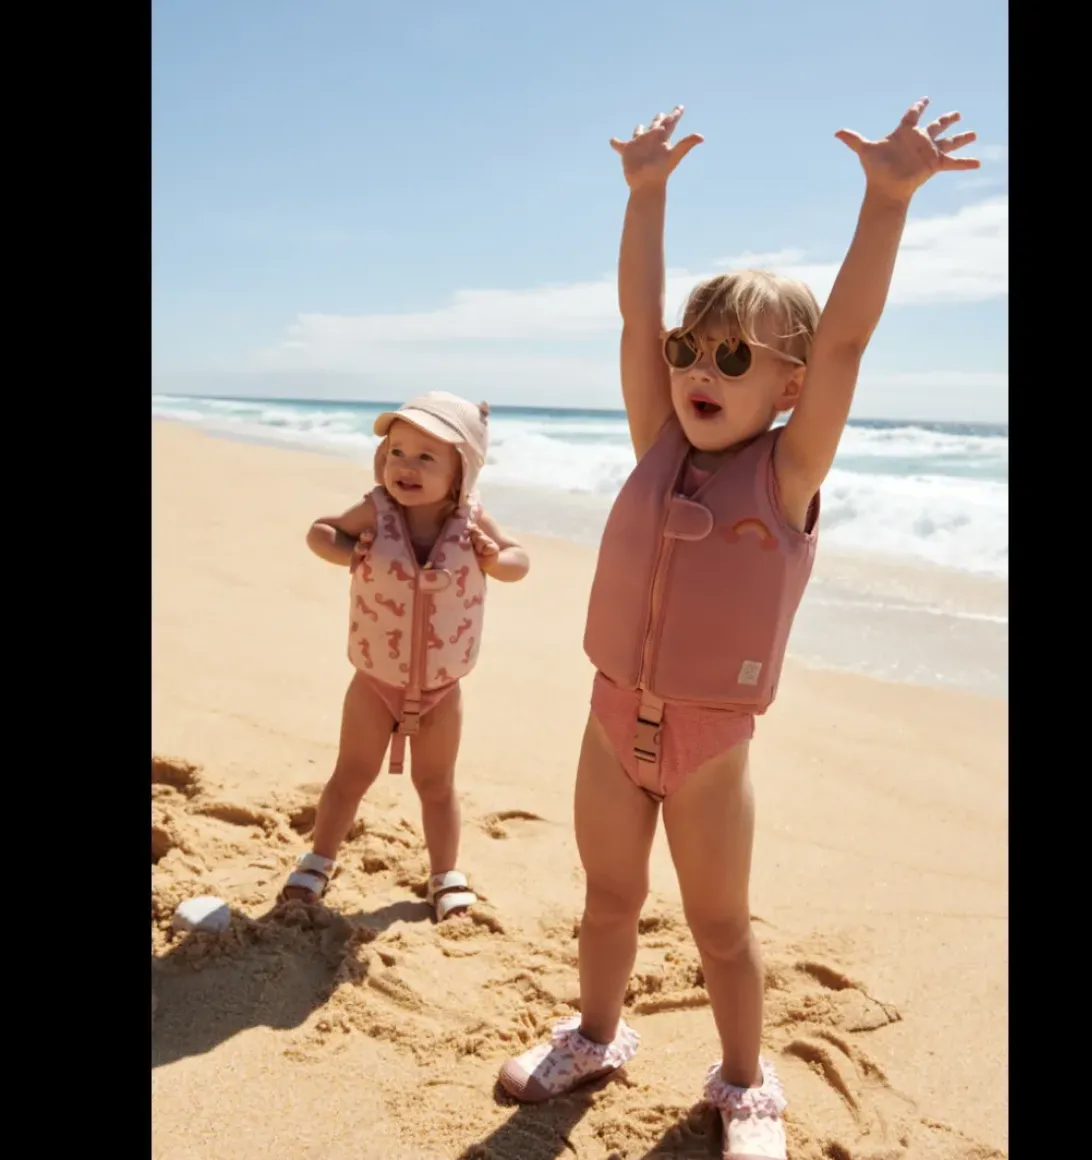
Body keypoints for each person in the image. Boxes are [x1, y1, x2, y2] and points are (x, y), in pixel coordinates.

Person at [498, 99, 980, 1159]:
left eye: (732, 357)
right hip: (611, 716)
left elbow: (845, 340)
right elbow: (635, 320)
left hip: (710, 743)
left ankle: (746, 1083)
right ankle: (595, 1035)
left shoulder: (787, 473)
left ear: (788, 386)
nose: (697, 372)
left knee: (719, 926)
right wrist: (645, 197)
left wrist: (886, 203)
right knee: (607, 898)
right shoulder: (655, 441)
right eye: (690, 350)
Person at [279, 391, 530, 921]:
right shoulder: (377, 510)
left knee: (436, 785)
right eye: (397, 452)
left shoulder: (472, 521)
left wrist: (494, 560)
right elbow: (320, 532)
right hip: (374, 682)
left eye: (425, 457)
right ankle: (318, 860)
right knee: (350, 774)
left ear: (461, 474)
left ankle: (445, 874)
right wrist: (350, 552)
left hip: (442, 689)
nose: (405, 466)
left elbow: (519, 560)